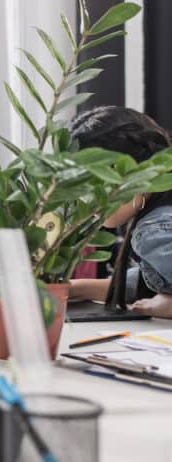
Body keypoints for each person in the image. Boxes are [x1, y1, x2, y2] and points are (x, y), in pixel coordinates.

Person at [68, 106, 172, 317]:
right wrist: (74, 287)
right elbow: (149, 281)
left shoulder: (153, 231)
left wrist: (164, 307)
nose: (83, 199)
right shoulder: (157, 218)